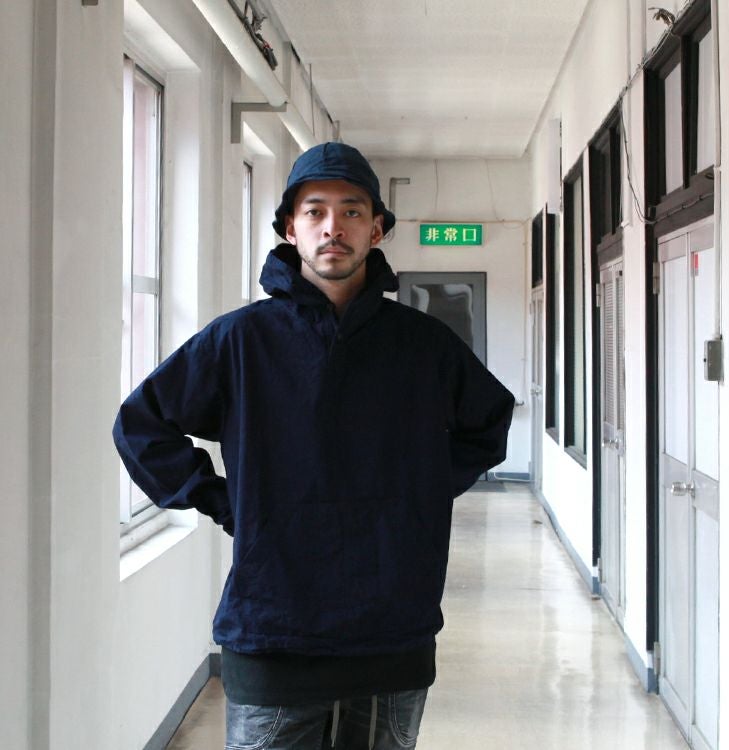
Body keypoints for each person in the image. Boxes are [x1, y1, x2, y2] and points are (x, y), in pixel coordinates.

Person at [113, 142, 515, 750]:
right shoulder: (241, 341)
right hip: (274, 627)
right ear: (290, 229)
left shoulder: (423, 346)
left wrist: (419, 493)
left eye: (352, 211)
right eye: (315, 211)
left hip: (392, 630)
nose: (334, 227)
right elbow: (141, 424)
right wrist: (226, 502)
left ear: (376, 230)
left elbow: (489, 420)